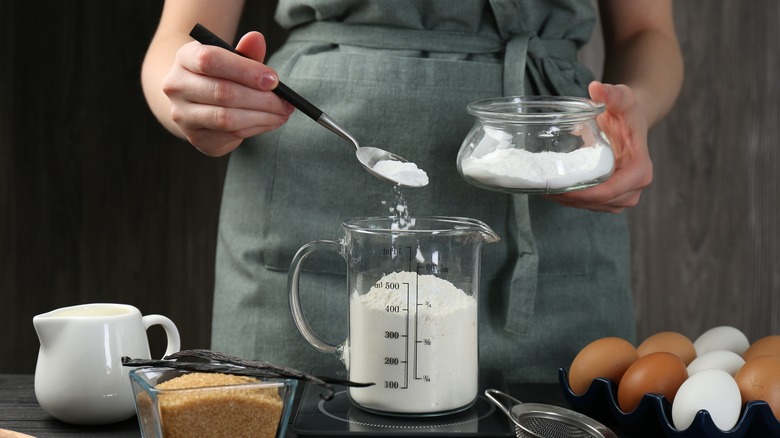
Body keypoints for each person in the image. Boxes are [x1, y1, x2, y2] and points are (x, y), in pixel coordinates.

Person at [142, 0, 683, 382]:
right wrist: (198, 99)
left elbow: (646, 33)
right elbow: (180, 36)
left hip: (553, 185)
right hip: (308, 195)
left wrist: (627, 119)